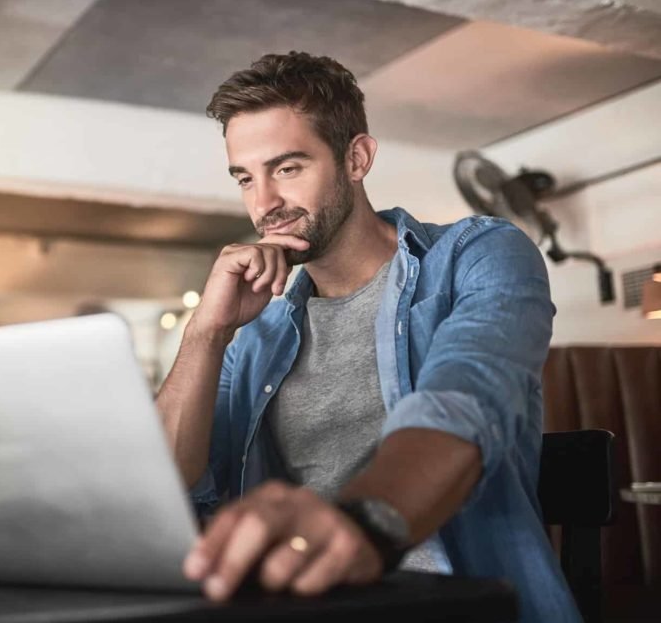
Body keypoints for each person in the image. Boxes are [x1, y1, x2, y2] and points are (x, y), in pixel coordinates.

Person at [154, 52, 580, 623]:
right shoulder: (253, 333)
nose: (263, 205)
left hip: (457, 603)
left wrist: (360, 527)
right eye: (244, 178)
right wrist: (208, 331)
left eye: (287, 168)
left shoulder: (477, 256)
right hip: (295, 606)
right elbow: (166, 482)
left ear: (357, 158)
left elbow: (464, 401)